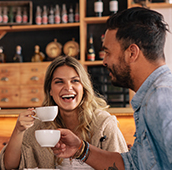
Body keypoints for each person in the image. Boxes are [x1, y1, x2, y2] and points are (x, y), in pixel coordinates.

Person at [52, 7, 172, 170]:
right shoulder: (149, 97)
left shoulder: (162, 96)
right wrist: (80, 149)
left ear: (132, 53)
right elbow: (133, 165)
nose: (104, 61)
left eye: (107, 52)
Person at [0, 56, 128, 170]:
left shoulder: (104, 124)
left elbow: (123, 165)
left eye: (75, 81)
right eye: (59, 82)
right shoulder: (39, 128)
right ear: (50, 90)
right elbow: (9, 166)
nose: (68, 87)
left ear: (83, 87)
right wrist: (19, 130)